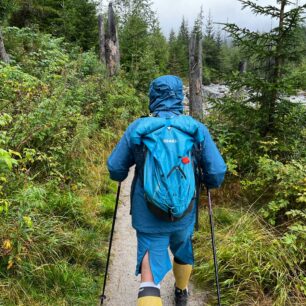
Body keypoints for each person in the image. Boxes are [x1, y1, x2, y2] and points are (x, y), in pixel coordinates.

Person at [107, 75, 226, 306]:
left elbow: (115, 168)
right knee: (183, 249)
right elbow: (217, 171)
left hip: (148, 212)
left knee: (149, 271)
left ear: (153, 98)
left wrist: (122, 174)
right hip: (184, 211)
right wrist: (209, 182)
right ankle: (181, 292)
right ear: (180, 98)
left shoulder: (139, 128)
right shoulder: (195, 128)